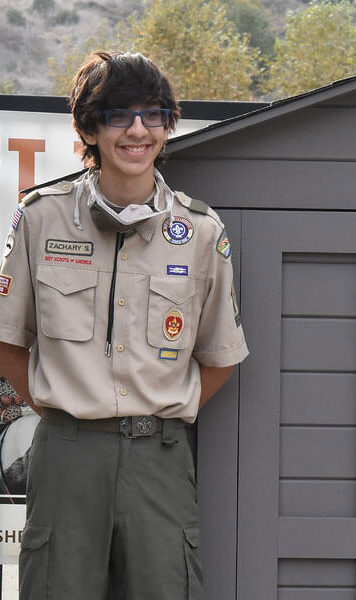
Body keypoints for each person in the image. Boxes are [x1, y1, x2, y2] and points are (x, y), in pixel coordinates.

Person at [0, 51, 248, 599]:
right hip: (67, 454)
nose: (137, 130)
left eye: (153, 115)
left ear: (166, 128)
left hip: (158, 459)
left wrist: (158, 412)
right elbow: (8, 341)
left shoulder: (201, 232)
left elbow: (222, 355)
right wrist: (57, 409)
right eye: (118, 115)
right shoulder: (41, 218)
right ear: (90, 128)